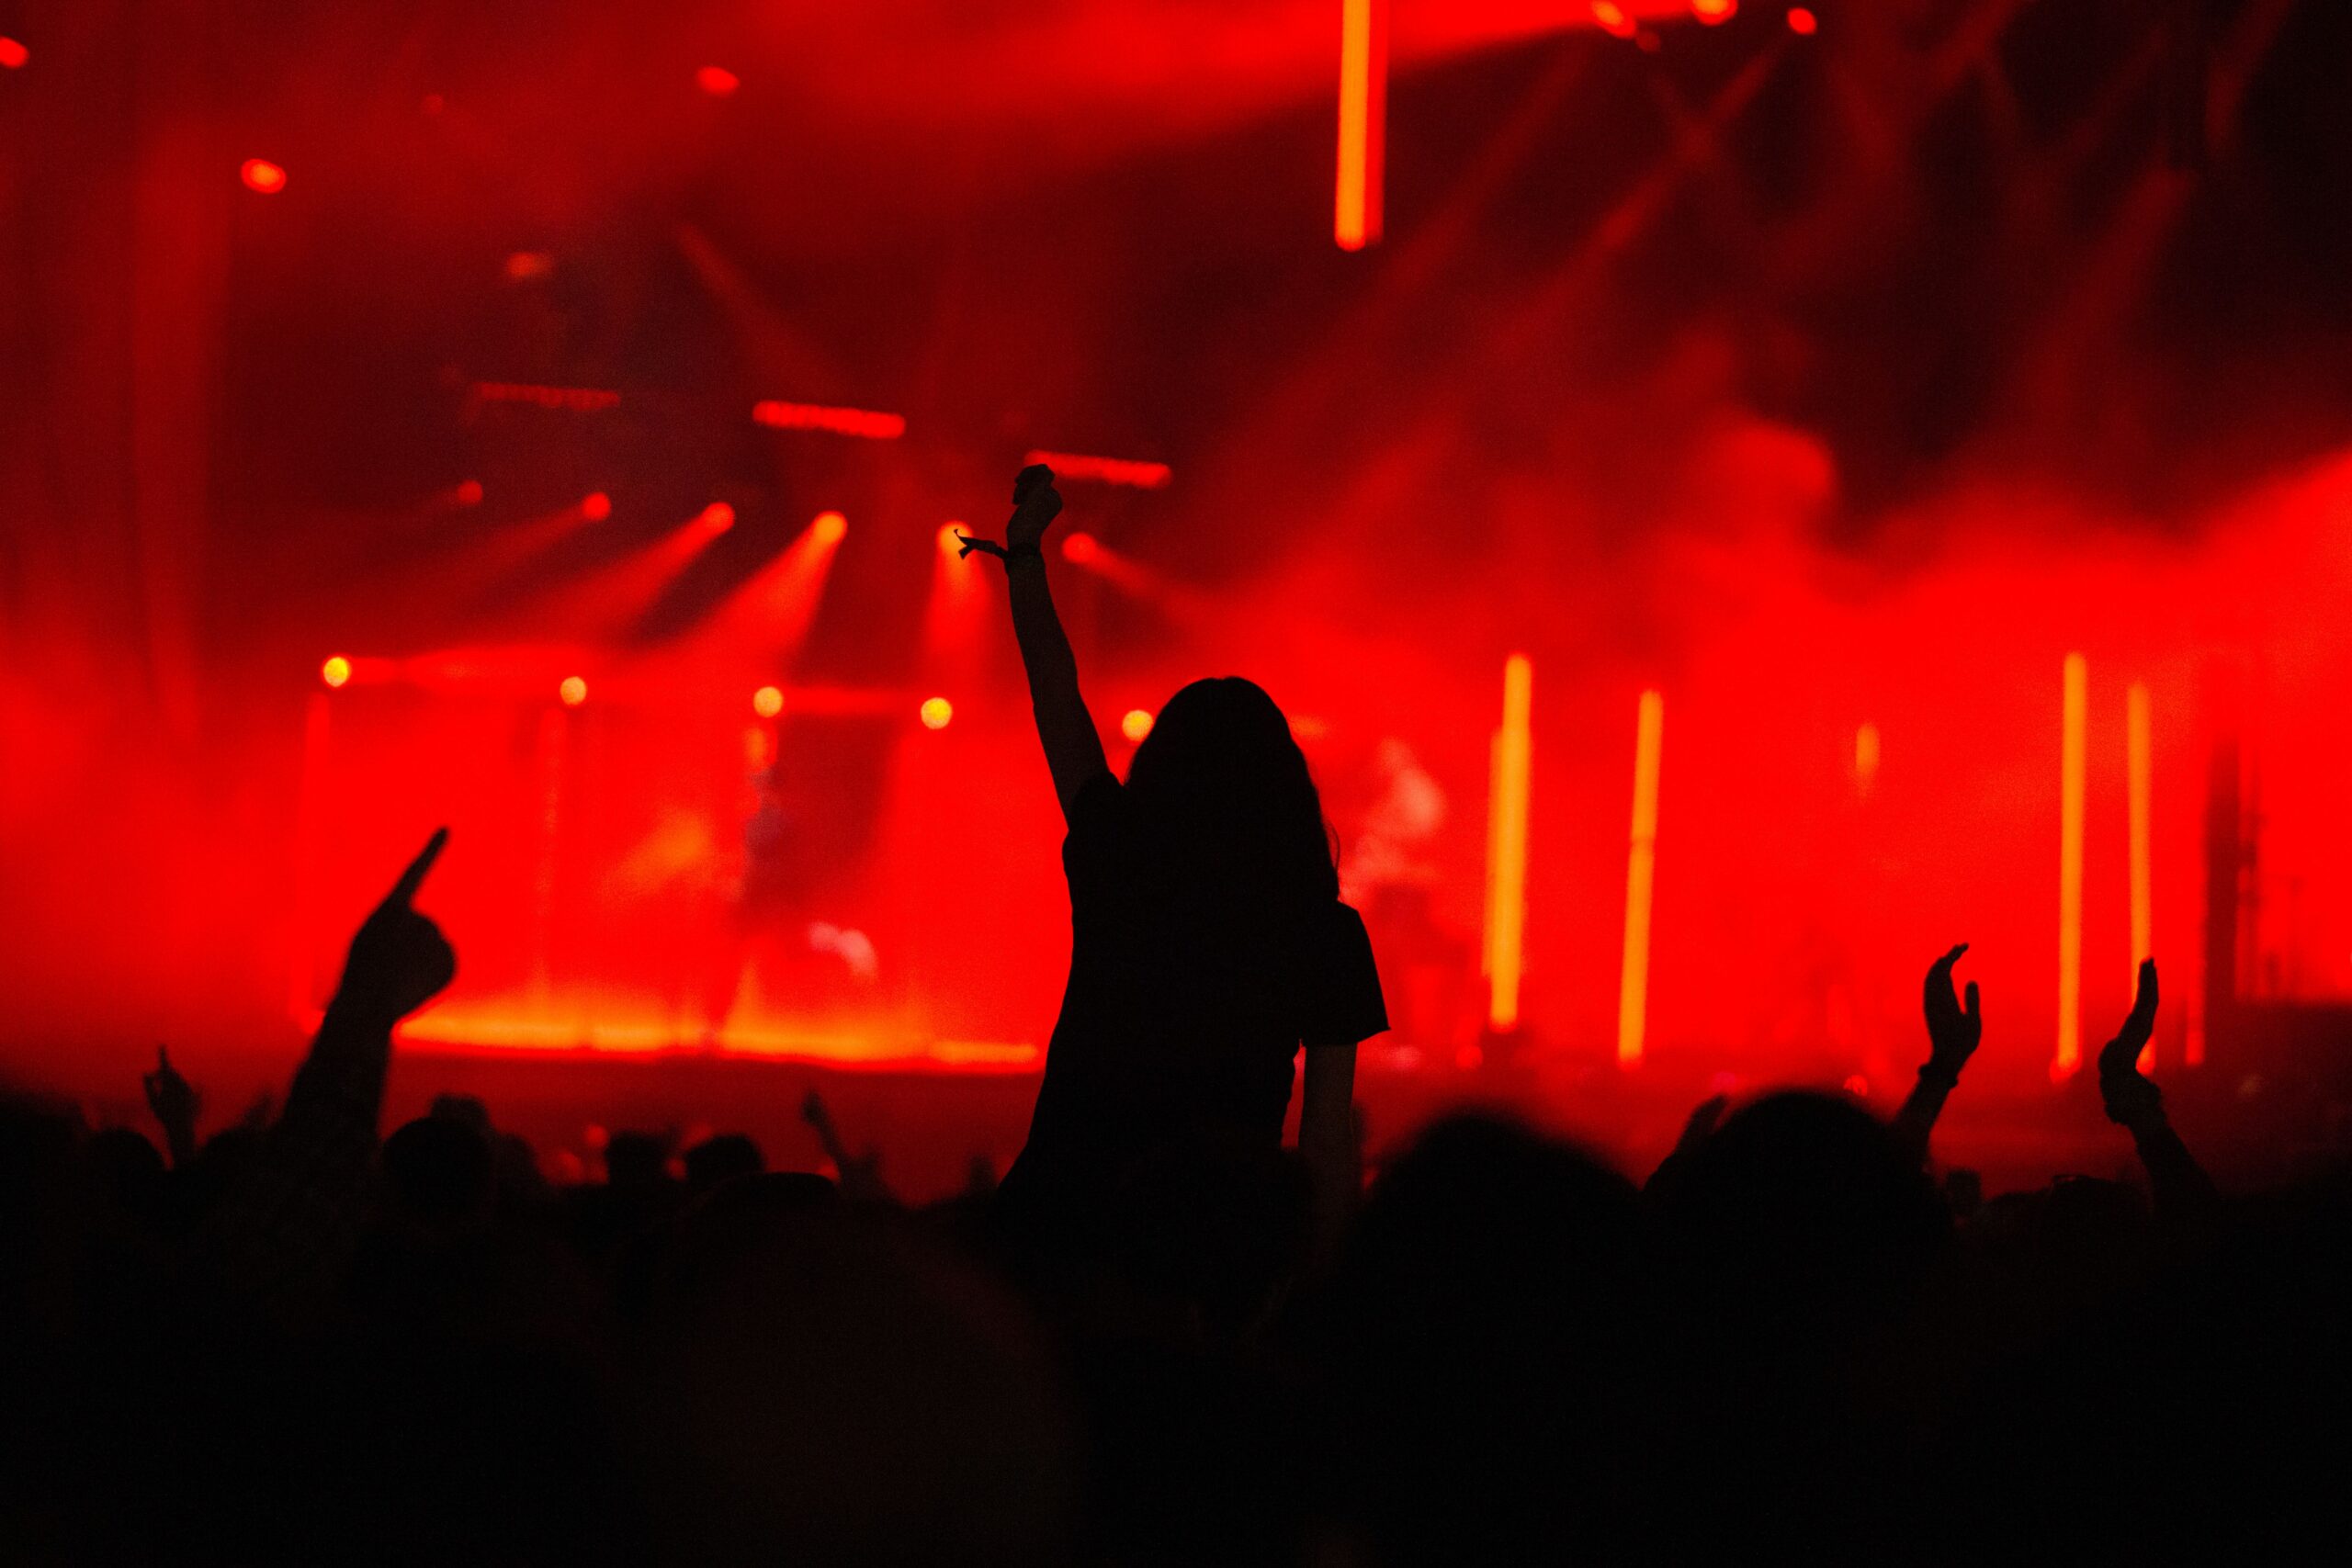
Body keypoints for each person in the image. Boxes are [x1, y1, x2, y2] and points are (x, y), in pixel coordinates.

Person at [958, 465, 1387, 1261]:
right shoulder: (1326, 935)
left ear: (1162, 768)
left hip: (1062, 1224)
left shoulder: (1119, 860)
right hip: (1211, 1252)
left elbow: (1057, 696)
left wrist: (1024, 559)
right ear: (1287, 794)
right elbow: (1326, 1145)